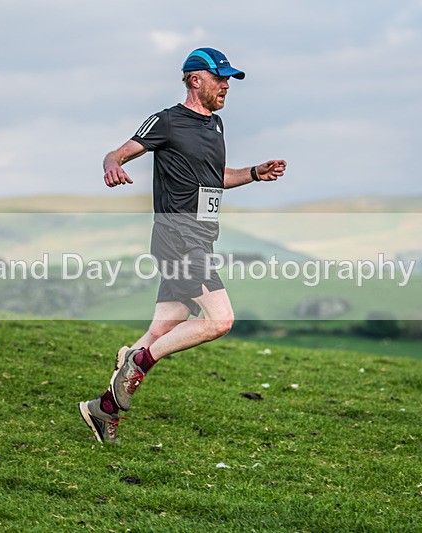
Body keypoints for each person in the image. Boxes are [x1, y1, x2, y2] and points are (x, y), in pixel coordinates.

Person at [78, 47, 287, 443]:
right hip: (177, 238)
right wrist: (113, 165)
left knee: (162, 329)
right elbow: (119, 152)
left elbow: (215, 178)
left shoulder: (217, 125)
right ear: (196, 79)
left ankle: (103, 410)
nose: (226, 85)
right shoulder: (168, 121)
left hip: (202, 238)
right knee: (219, 320)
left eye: (229, 79)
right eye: (220, 78)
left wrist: (255, 174)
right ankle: (139, 361)